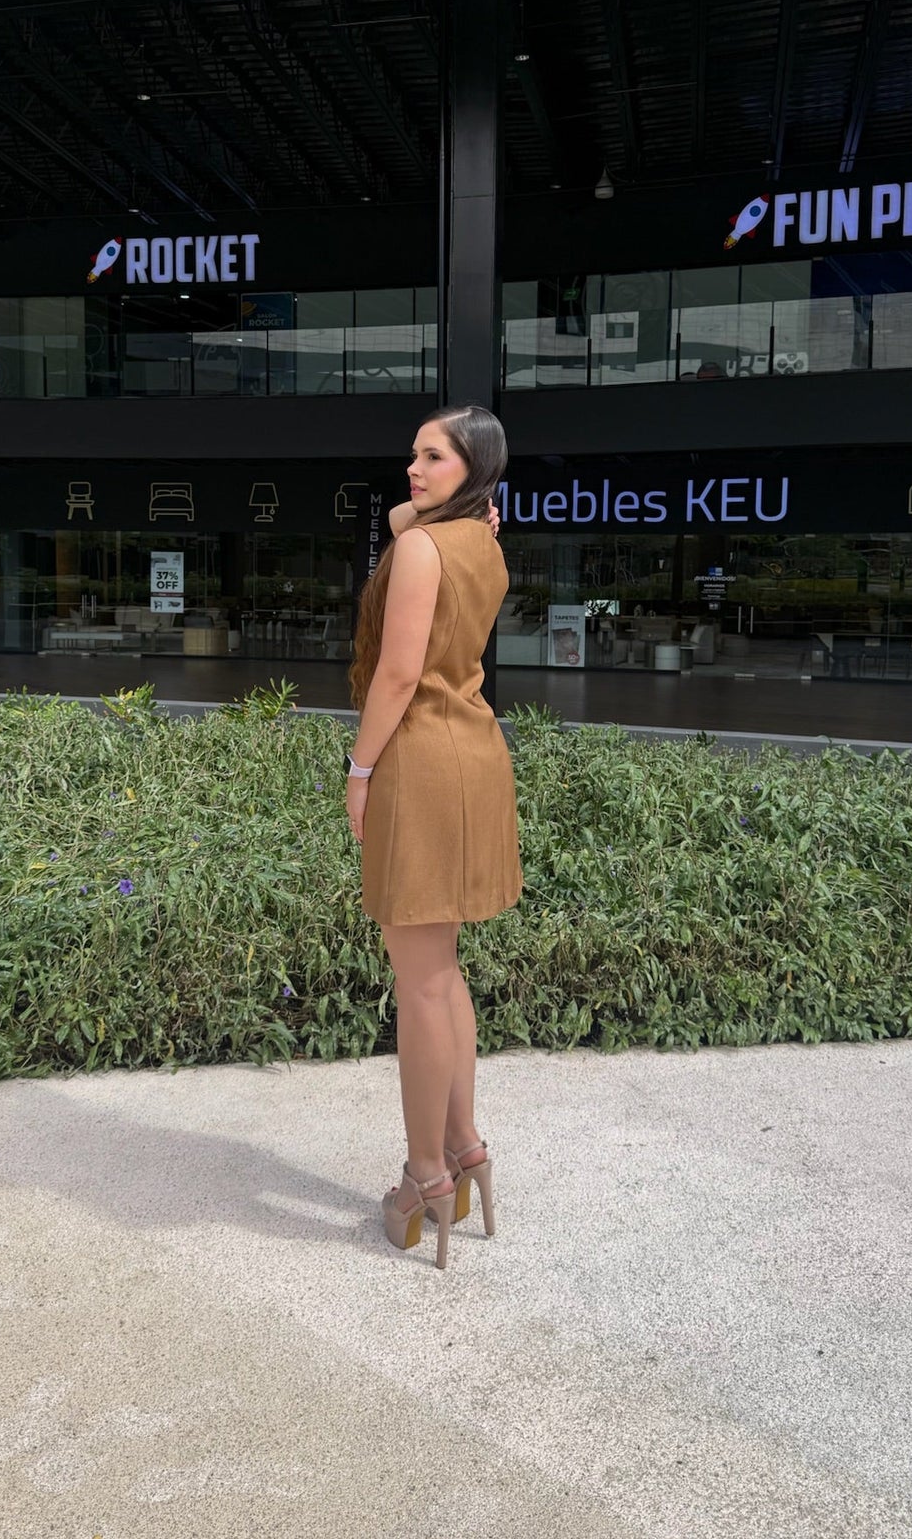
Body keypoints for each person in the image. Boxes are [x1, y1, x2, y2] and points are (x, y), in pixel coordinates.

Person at [345, 403, 522, 1268]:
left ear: (472, 470)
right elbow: (401, 520)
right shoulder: (482, 543)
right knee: (442, 972)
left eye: (433, 457)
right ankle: (466, 1146)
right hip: (475, 754)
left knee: (418, 982)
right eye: (412, 454)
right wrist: (446, 503)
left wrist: (359, 770)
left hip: (418, 759)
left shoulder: (422, 550)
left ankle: (425, 1177)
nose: (412, 470)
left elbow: (397, 674)